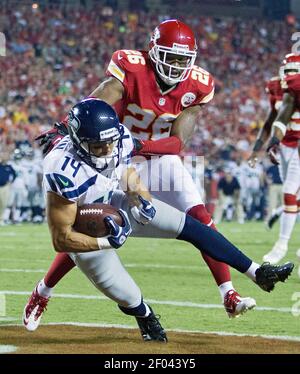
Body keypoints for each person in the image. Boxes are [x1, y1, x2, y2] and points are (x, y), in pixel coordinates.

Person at [34, 19, 259, 320]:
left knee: (201, 217)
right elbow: (100, 97)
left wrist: (138, 145)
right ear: (154, 51)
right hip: (112, 154)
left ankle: (229, 293)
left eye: (183, 59)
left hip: (153, 153)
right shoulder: (131, 65)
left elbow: (178, 143)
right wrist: (67, 125)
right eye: (172, 56)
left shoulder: (198, 85)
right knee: (91, 223)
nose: (178, 65)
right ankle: (43, 291)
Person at [23, 99, 294, 335]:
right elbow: (62, 238)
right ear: (80, 143)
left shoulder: (116, 139)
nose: (107, 151)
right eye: (98, 147)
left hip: (111, 200)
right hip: (83, 222)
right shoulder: (62, 169)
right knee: (125, 293)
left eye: (110, 144)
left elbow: (124, 170)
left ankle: (257, 272)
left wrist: (139, 197)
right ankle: (145, 316)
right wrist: (107, 242)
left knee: (191, 226)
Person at [249, 53, 300, 264]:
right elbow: (273, 119)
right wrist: (258, 148)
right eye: (286, 72)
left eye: (293, 72)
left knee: (289, 191)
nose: (289, 77)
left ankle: (282, 244)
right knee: (293, 194)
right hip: (284, 145)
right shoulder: (276, 88)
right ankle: (281, 211)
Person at [0, 152, 16, 225]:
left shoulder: (9, 166)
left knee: (4, 203)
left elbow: (14, 175)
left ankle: (2, 219)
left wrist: (11, 181)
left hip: (5, 187)